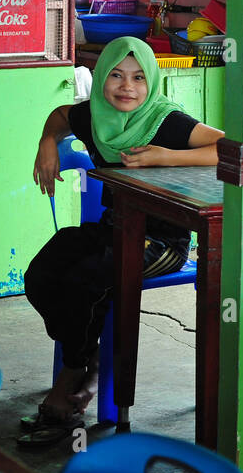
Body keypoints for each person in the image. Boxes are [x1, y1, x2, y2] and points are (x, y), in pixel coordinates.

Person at [19, 36, 223, 447]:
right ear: (100, 80)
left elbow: (230, 148)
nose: (127, 87)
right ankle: (87, 356)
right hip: (115, 226)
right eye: (115, 75)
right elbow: (60, 116)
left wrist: (164, 156)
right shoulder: (94, 117)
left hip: (161, 239)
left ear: (152, 82)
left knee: (85, 280)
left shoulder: (166, 122)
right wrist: (47, 144)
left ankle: (73, 378)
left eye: (138, 78)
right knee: (42, 274)